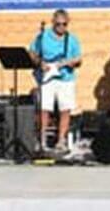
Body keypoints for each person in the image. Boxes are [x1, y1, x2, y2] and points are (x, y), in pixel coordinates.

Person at [29, 8, 82, 153]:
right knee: (44, 109)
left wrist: (71, 62)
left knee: (65, 109)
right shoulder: (43, 37)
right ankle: (42, 139)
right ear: (53, 22)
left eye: (65, 24)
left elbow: (78, 59)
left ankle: (61, 140)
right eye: (58, 24)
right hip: (47, 77)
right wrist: (40, 63)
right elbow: (32, 52)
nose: (61, 27)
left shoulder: (72, 39)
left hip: (65, 78)